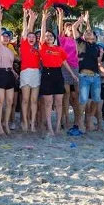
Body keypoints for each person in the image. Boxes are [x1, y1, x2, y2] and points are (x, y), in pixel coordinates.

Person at [38, 9, 78, 137]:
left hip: (58, 74)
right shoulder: (43, 47)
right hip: (47, 74)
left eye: (51, 36)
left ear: (54, 38)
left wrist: (72, 74)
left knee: (59, 102)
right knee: (48, 102)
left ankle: (57, 126)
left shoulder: (59, 49)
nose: (48, 37)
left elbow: (64, 62)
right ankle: (49, 127)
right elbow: (43, 33)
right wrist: (44, 20)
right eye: (47, 36)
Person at [76, 11, 104, 133]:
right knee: (83, 101)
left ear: (94, 37)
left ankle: (89, 119)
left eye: (91, 33)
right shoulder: (82, 43)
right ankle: (80, 121)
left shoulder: (97, 48)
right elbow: (76, 29)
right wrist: (84, 21)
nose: (88, 33)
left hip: (96, 76)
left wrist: (103, 70)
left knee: (96, 100)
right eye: (87, 33)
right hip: (84, 76)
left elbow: (98, 62)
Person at [0, 6, 16, 136]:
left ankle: (6, 123)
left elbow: (11, 65)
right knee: (0, 101)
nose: (5, 38)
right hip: (0, 74)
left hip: (9, 74)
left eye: (7, 36)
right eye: (4, 36)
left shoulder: (10, 50)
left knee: (10, 102)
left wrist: (14, 73)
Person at [57, 9, 83, 133]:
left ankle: (77, 120)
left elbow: (78, 30)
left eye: (71, 29)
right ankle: (65, 119)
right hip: (64, 67)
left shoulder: (77, 40)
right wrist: (61, 16)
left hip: (75, 67)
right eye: (68, 29)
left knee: (76, 95)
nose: (71, 30)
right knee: (66, 94)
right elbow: (59, 28)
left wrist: (82, 21)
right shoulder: (63, 40)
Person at [18, 8, 41, 133]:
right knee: (25, 99)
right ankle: (25, 122)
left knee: (34, 100)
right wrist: (26, 16)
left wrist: (33, 19)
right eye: (29, 37)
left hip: (36, 73)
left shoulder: (38, 49)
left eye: (33, 37)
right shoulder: (24, 44)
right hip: (25, 72)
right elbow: (26, 29)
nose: (31, 38)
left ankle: (32, 123)